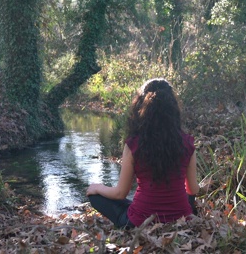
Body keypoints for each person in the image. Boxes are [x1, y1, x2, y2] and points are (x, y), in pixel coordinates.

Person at [86, 78, 200, 228]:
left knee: (95, 197)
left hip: (139, 223)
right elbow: (193, 189)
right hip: (180, 219)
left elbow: (120, 193)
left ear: (140, 108)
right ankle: (177, 213)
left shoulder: (133, 144)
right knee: (184, 197)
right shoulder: (187, 143)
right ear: (173, 109)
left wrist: (97, 187)